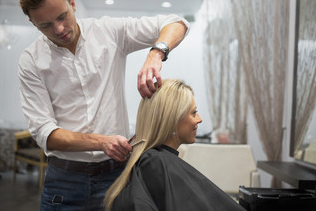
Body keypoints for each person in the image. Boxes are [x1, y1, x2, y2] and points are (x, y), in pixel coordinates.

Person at [18, 0, 189, 211]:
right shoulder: (31, 61)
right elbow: (46, 134)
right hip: (64, 183)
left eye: (62, 16)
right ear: (32, 23)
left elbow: (176, 22)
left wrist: (155, 54)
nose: (59, 29)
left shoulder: (108, 32)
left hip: (117, 178)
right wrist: (102, 142)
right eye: (45, 25)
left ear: (72, 3)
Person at [104, 79, 246, 211]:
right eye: (194, 113)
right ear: (172, 119)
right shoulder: (155, 164)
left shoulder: (154, 162)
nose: (200, 119)